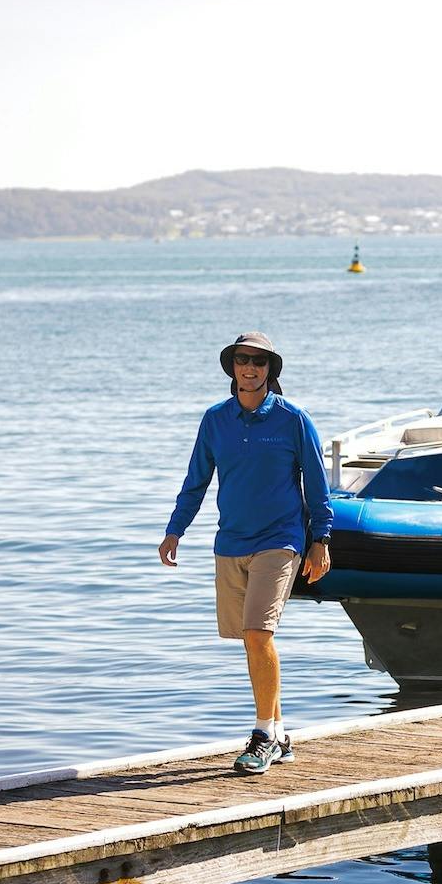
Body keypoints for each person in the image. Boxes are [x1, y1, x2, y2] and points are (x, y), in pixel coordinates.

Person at [159, 332, 333, 776]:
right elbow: (196, 480)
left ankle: (263, 736)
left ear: (270, 369)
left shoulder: (293, 419)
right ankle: (280, 732)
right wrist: (175, 529)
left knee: (258, 633)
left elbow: (317, 483)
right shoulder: (215, 420)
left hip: (281, 540)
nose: (250, 368)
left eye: (259, 361)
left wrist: (321, 538)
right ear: (232, 367)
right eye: (242, 360)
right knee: (253, 640)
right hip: (231, 542)